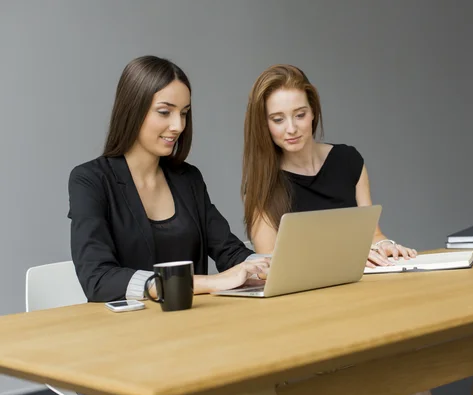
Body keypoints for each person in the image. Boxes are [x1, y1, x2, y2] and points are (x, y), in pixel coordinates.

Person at [68, 55, 269, 305]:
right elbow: (98, 278)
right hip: (125, 333)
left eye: (184, 113)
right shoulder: (90, 180)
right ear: (133, 109)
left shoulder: (188, 179)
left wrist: (265, 267)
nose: (178, 125)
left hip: (192, 323)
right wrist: (205, 283)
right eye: (165, 112)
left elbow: (230, 251)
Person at [241, 64, 418, 268]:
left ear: (313, 112)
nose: (291, 128)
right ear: (265, 124)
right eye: (278, 119)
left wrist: (386, 246)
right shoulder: (263, 186)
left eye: (300, 115)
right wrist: (347, 256)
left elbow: (373, 235)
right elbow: (269, 266)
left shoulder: (348, 161)